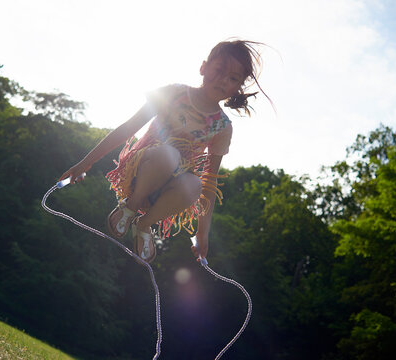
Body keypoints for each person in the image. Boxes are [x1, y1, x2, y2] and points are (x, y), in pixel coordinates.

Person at [59, 39, 265, 263]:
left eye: (233, 78)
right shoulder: (173, 93)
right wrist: (85, 163)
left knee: (195, 184)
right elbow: (129, 128)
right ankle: (131, 206)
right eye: (219, 70)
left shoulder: (222, 127)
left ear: (237, 88)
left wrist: (202, 232)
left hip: (168, 190)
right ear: (204, 67)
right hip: (142, 169)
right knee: (169, 155)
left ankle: (145, 224)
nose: (224, 80)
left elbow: (209, 181)